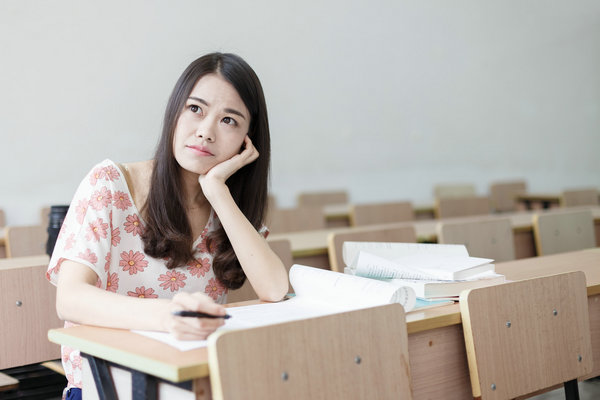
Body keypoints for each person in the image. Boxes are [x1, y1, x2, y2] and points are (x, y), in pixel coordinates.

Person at [46, 52, 289, 399]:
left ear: (248, 141)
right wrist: (169, 316)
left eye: (229, 121)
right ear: (174, 112)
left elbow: (275, 290)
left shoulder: (229, 208)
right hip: (108, 385)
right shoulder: (111, 184)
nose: (205, 132)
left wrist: (218, 191)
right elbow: (69, 299)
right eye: (195, 109)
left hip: (195, 385)